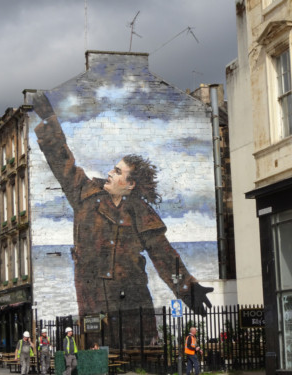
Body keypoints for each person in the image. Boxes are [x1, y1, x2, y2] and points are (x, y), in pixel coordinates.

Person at [32, 92, 213, 338]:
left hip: (132, 301)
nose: (109, 173)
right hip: (93, 300)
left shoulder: (141, 213)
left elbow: (164, 256)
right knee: (97, 355)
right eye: (113, 168)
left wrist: (188, 289)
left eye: (117, 171)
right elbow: (61, 160)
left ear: (130, 185)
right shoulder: (84, 193)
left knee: (138, 355)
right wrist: (49, 118)